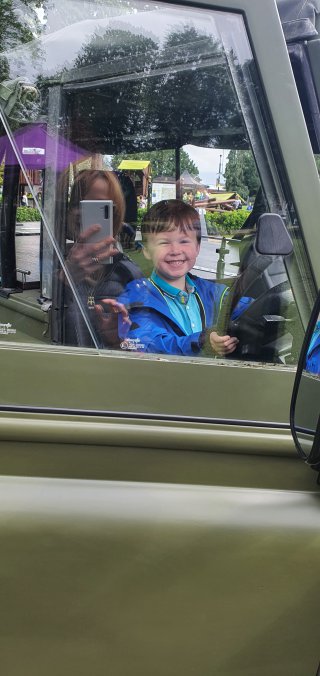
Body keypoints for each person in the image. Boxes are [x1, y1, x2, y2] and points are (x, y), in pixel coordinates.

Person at [117, 199, 251, 356]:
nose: (175, 250)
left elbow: (247, 308)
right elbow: (147, 343)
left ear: (198, 248)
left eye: (184, 241)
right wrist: (202, 341)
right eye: (164, 242)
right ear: (146, 250)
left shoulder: (211, 292)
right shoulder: (136, 298)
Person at [62, 169, 142, 348]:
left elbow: (143, 349)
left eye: (100, 208)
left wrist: (117, 341)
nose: (79, 214)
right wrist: (64, 279)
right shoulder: (54, 264)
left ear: (116, 215)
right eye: (78, 205)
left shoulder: (128, 274)